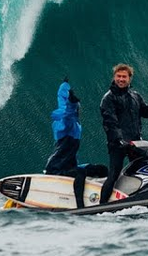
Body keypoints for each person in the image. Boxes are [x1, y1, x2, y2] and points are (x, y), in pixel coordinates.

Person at [98, 63, 148, 205]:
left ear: (129, 78)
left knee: (147, 171)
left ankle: (146, 199)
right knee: (113, 175)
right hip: (118, 145)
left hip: (135, 143)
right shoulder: (109, 98)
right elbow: (110, 122)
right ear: (114, 77)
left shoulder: (135, 96)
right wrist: (119, 140)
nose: (121, 79)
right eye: (118, 76)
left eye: (124, 77)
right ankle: (102, 206)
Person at [44, 78, 108, 209]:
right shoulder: (63, 124)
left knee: (101, 169)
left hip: (70, 165)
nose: (79, 111)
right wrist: (72, 103)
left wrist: (65, 86)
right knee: (80, 173)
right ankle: (80, 206)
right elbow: (67, 114)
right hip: (57, 168)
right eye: (77, 109)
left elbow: (62, 100)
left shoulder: (75, 124)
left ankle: (103, 196)